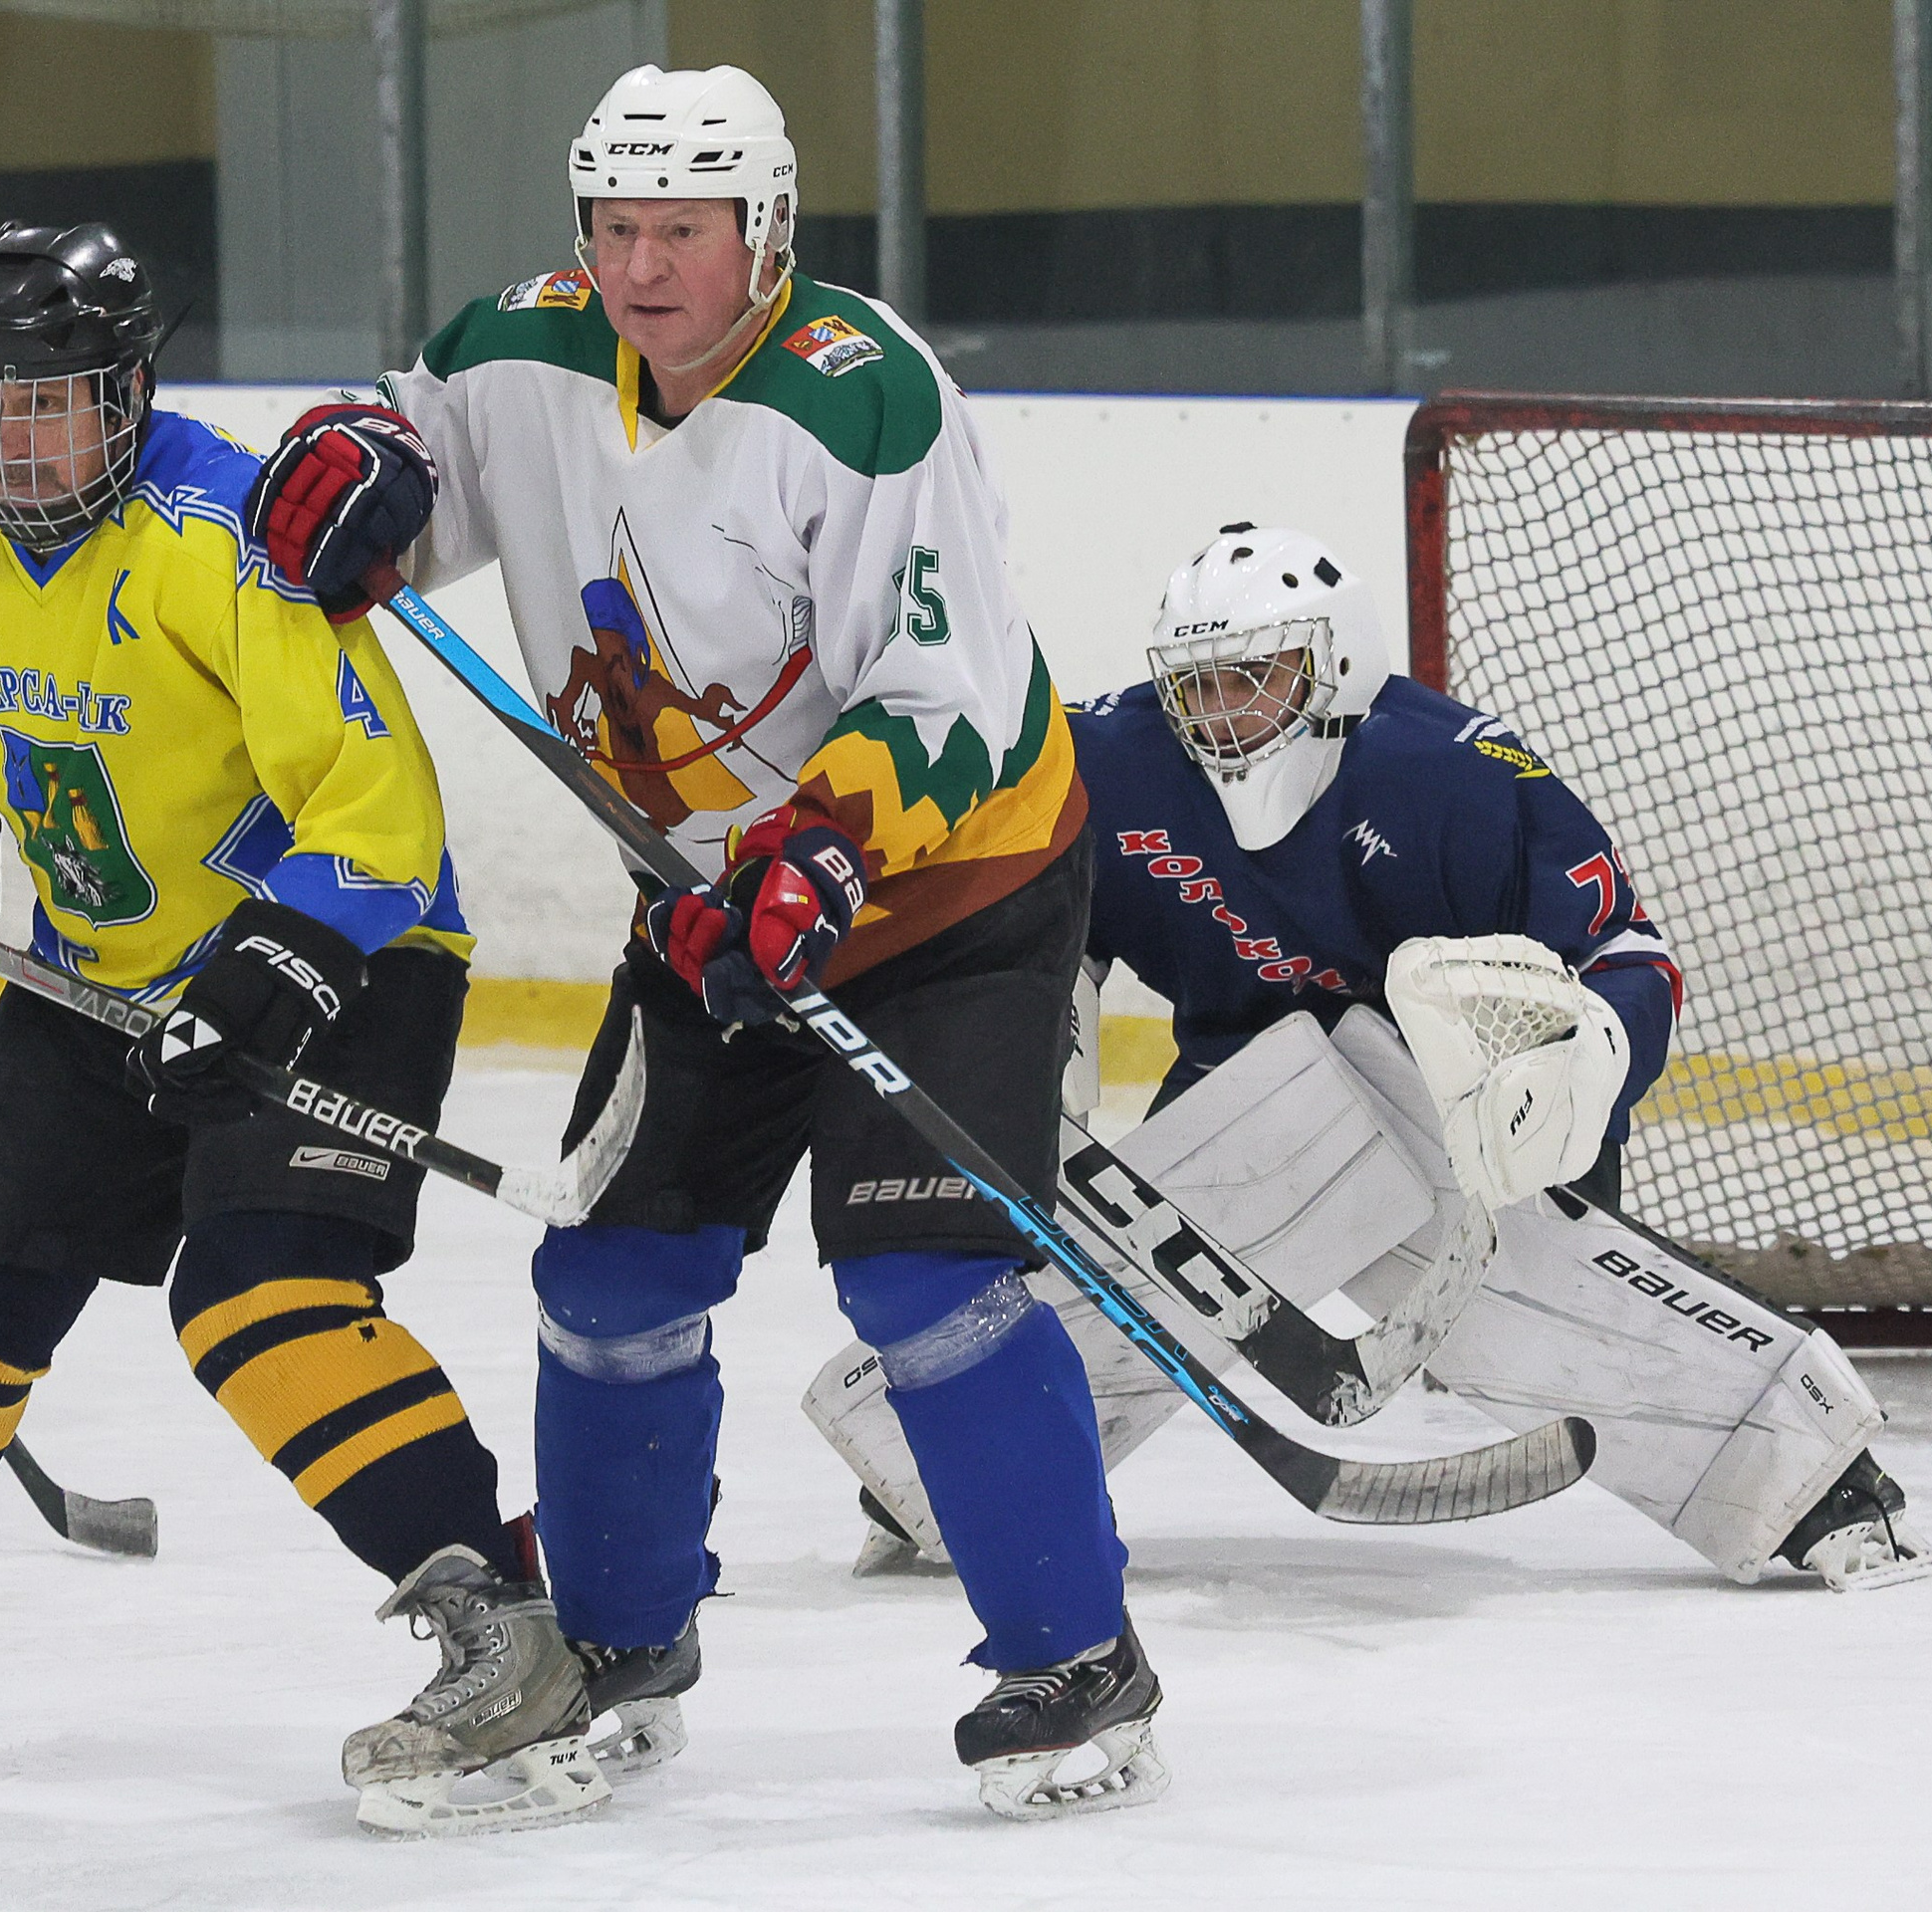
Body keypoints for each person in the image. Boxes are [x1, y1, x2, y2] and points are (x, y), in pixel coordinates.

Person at [250, 64, 1165, 1821]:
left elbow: (950, 697)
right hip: (704, 907)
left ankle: (1073, 1657)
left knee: (924, 1288)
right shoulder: (516, 351)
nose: (645, 266)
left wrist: (817, 858)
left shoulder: (865, 397)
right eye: (615, 227)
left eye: (685, 229)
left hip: (948, 891)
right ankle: (617, 1644)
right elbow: (385, 489)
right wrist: (334, 474)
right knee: (607, 1285)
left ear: (769, 233)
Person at [0, 222, 606, 1839]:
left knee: (256, 1295)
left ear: (130, 393)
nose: (14, 440)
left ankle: (500, 1624)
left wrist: (263, 979)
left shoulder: (225, 536)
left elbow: (375, 819)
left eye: (54, 403)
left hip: (347, 954)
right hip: (96, 965)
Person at [813, 523, 1932, 1594]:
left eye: (1253, 677)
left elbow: (1624, 950)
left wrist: (1588, 1062)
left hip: (1460, 1103)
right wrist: (1030, 1040)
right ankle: (937, 1463)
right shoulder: (1112, 761)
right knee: (1159, 1229)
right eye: (1196, 683)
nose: (1220, 713)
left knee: (1525, 1291)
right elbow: (1016, 903)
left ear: (1335, 664)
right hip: (1243, 1090)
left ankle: (1811, 1478)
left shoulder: (1453, 776)